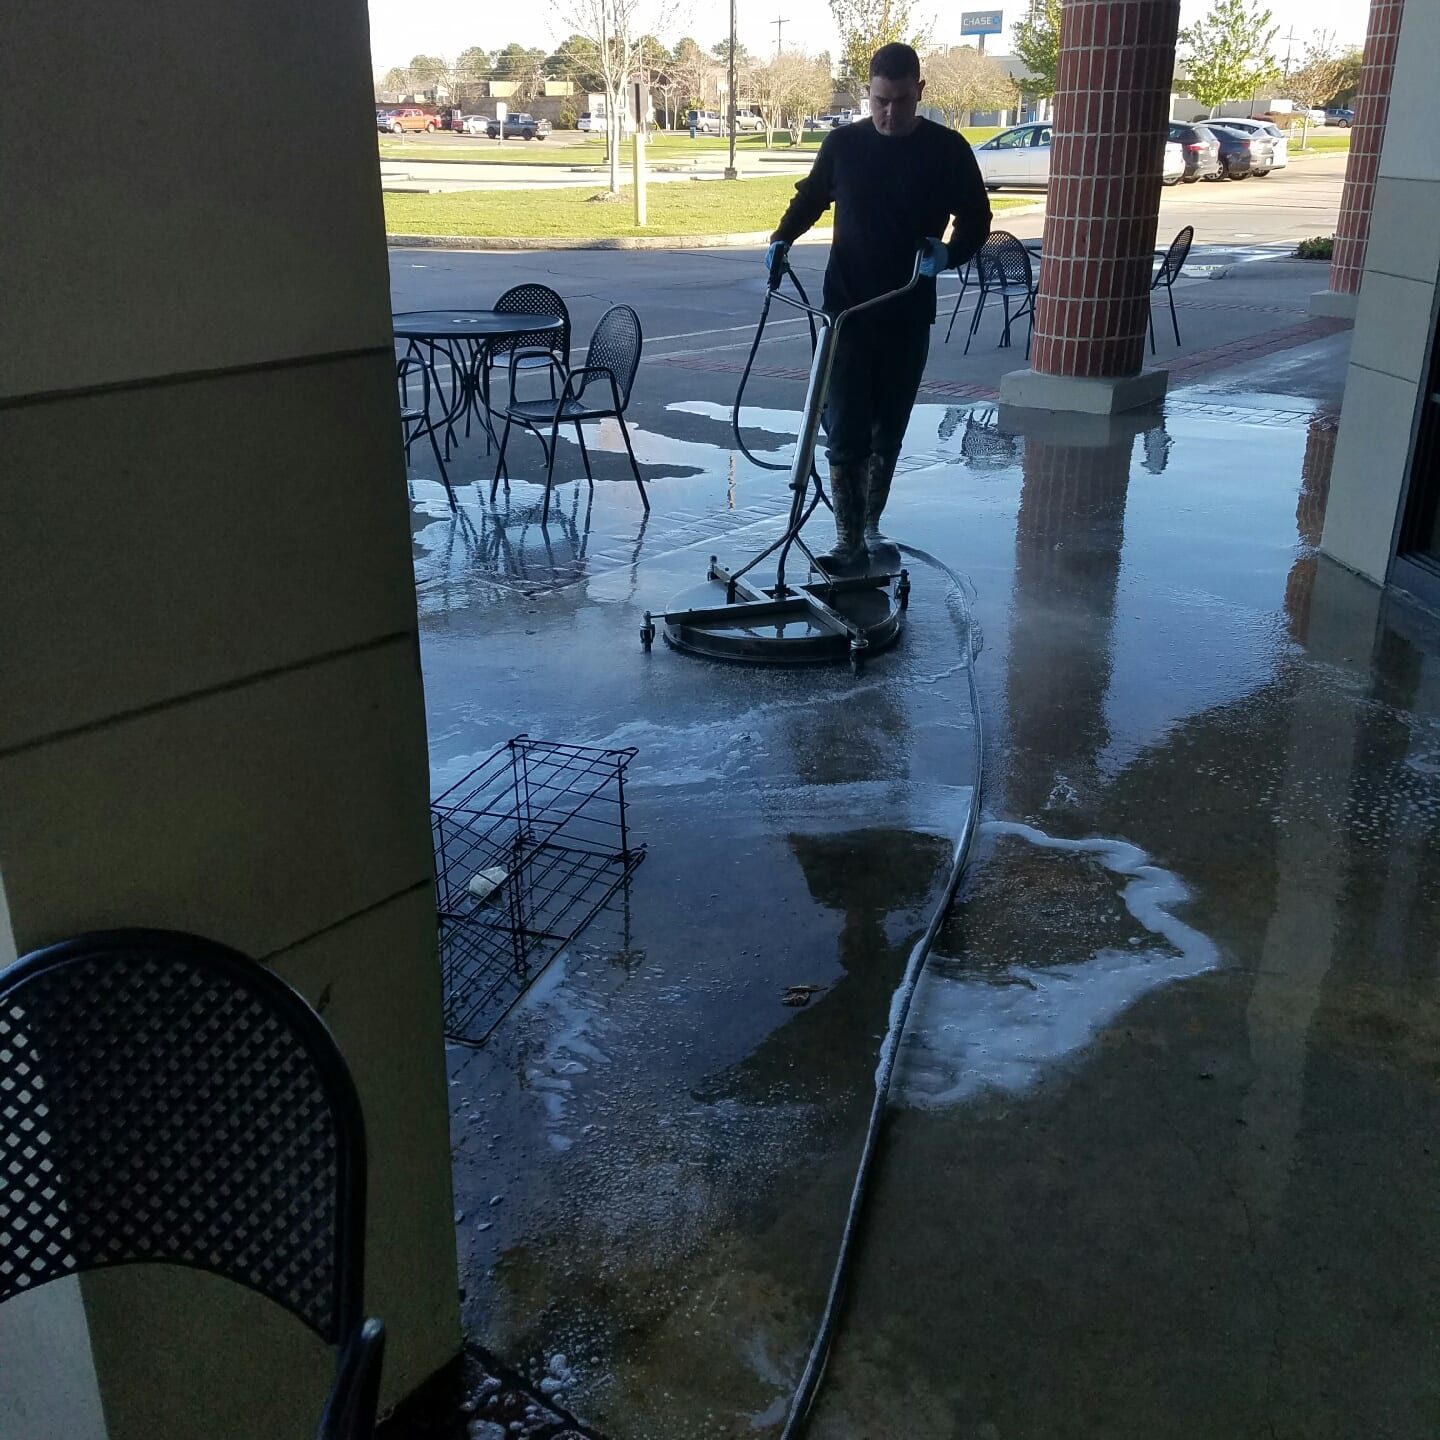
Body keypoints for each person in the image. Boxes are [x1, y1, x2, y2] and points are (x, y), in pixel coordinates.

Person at [765, 43, 991, 570]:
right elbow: (812, 197)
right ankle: (847, 542)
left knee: (887, 428)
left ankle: (869, 525)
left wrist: (950, 253)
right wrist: (783, 238)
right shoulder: (844, 145)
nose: (889, 113)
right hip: (844, 314)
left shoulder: (948, 151)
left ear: (920, 92)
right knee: (843, 424)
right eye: (880, 100)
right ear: (867, 92)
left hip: (907, 312)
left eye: (902, 101)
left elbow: (976, 220)